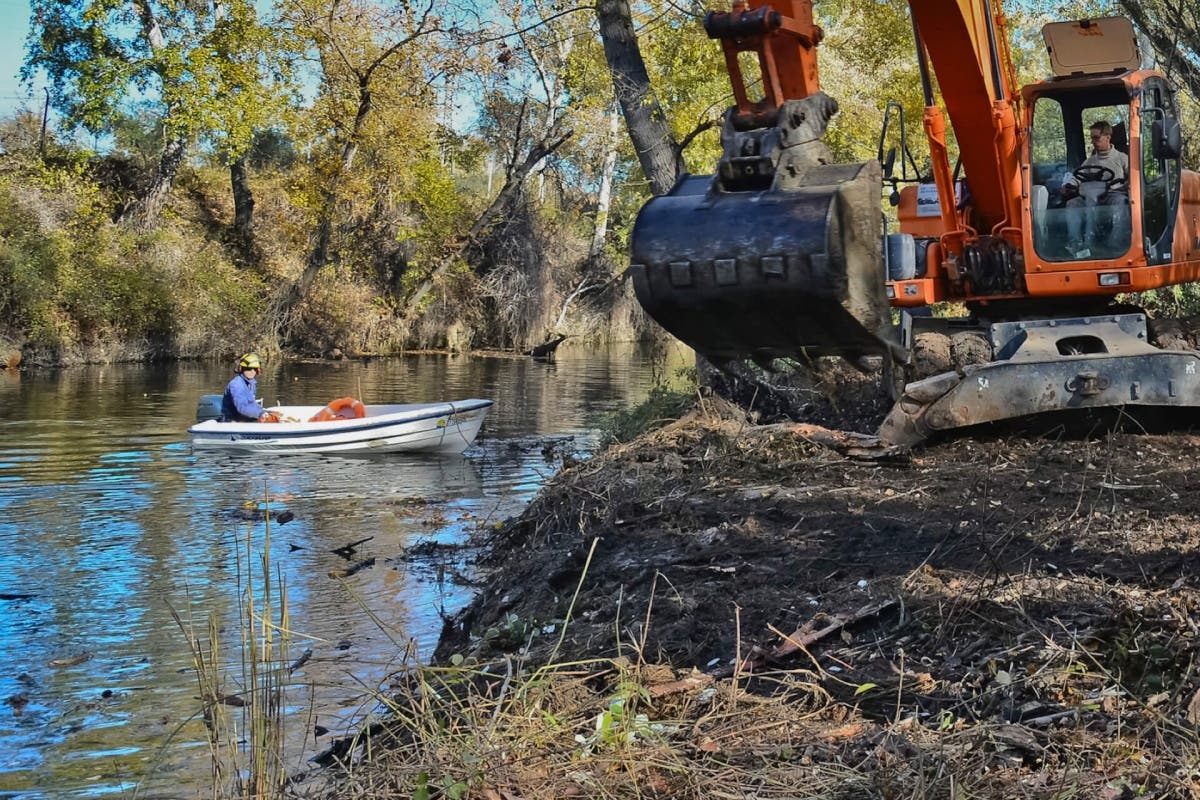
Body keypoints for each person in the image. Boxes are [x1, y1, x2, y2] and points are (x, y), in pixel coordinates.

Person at [1062, 121, 1129, 254]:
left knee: (1121, 203)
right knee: (1072, 204)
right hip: (1090, 196)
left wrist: (1128, 185)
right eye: (1091, 138)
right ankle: (1076, 243)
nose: (1093, 142)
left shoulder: (1122, 158)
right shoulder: (1090, 161)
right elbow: (1078, 176)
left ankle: (1115, 244)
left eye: (1096, 138)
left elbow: (1132, 177)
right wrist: (1069, 184)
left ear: (1108, 137)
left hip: (1113, 194)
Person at [220, 353, 279, 423]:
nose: (252, 371)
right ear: (241, 369)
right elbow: (242, 408)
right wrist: (261, 414)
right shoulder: (236, 385)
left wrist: (266, 412)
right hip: (231, 421)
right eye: (248, 369)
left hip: (244, 418)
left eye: (254, 369)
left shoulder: (251, 383)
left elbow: (252, 404)